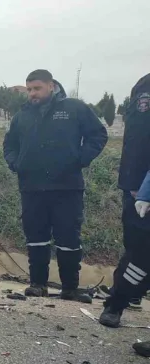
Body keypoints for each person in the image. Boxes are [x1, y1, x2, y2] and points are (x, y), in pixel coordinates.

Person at [3, 69, 108, 303]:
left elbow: (98, 135)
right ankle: (37, 285)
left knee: (68, 238)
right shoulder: (22, 115)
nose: (32, 93)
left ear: (51, 86)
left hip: (67, 186)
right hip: (32, 187)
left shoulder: (73, 108)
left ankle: (70, 288)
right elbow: (9, 144)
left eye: (37, 88)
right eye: (29, 89)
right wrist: (15, 163)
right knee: (36, 237)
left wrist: (79, 160)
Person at [99, 74, 150, 333]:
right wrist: (137, 184)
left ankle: (126, 296)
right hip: (138, 186)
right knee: (138, 250)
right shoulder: (144, 85)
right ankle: (119, 301)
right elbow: (136, 137)